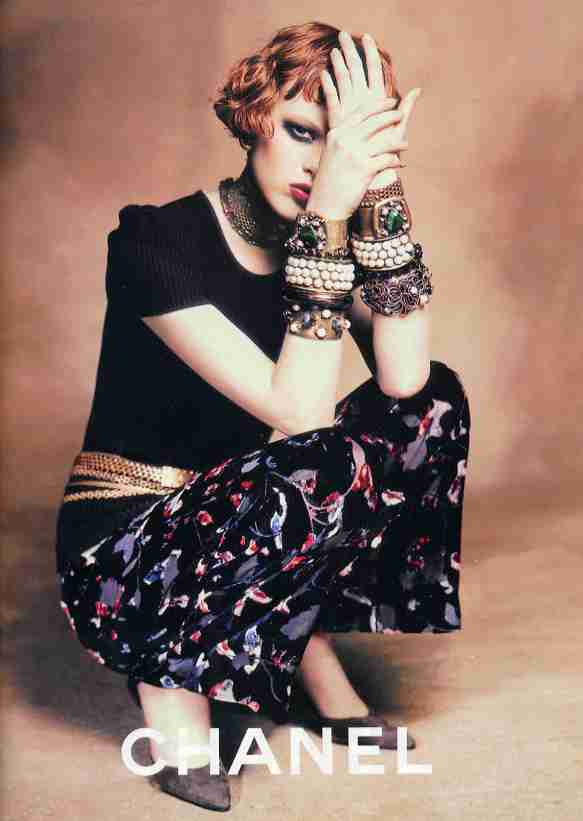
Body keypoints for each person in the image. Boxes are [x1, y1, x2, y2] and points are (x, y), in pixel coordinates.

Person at [55, 21, 471, 812]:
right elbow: (300, 413)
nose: (320, 165)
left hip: (245, 519)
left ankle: (294, 632)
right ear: (252, 118)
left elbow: (406, 382)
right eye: (302, 132)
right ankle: (170, 673)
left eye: (340, 145)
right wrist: (330, 214)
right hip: (126, 547)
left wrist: (380, 189)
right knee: (315, 457)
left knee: (433, 405)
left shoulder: (325, 236)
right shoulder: (153, 239)